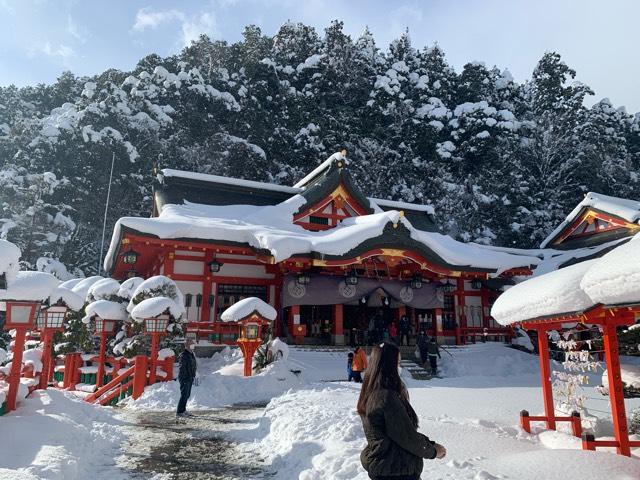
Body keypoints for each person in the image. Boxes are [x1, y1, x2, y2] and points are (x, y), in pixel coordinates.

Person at [358, 343, 446, 480]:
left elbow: (399, 431)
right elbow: (407, 437)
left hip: (387, 467)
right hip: (396, 470)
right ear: (388, 366)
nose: (400, 367)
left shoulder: (372, 394)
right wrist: (434, 451)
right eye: (398, 363)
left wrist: (430, 443)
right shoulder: (386, 397)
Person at [176, 337, 197, 417]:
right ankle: (179, 411)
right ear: (187, 345)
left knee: (187, 395)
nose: (193, 345)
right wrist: (186, 377)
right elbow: (182, 367)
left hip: (190, 377)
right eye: (191, 344)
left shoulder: (191, 354)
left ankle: (183, 410)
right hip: (185, 378)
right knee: (184, 394)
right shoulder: (184, 355)